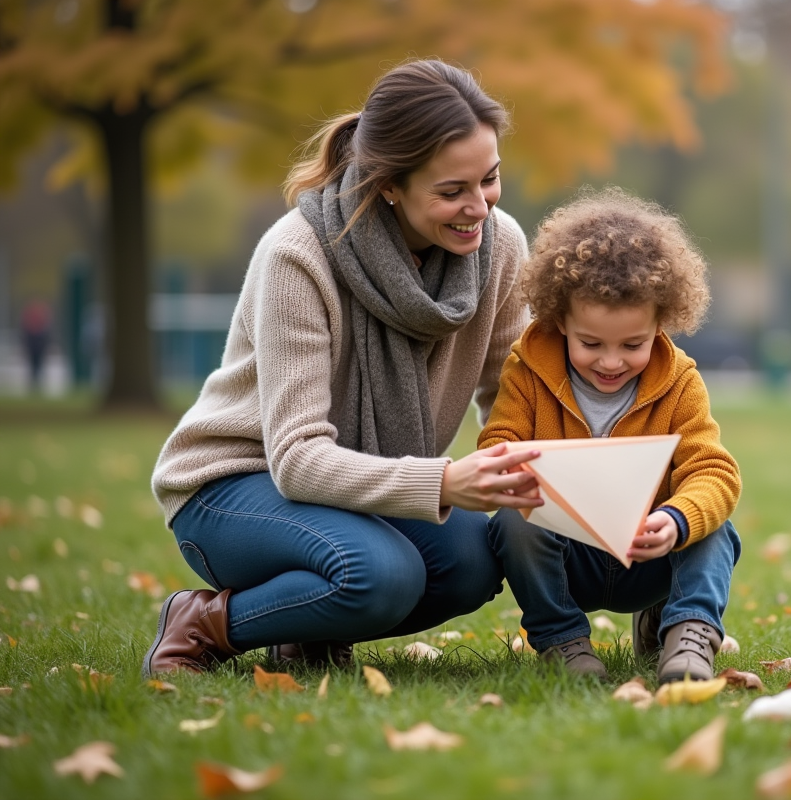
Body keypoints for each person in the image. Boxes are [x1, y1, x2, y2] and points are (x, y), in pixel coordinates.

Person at [144, 59, 545, 677]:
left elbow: (514, 395)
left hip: (360, 489)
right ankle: (205, 623)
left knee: (475, 560)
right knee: (382, 575)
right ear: (389, 184)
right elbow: (298, 459)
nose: (479, 208)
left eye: (489, 179)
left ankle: (306, 628)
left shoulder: (500, 246)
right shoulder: (297, 257)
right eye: (451, 192)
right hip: (234, 485)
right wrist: (442, 484)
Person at [480, 187, 742, 684]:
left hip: (649, 553)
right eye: (591, 343)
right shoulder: (527, 370)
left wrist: (675, 520)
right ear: (559, 321)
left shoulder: (679, 381)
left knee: (714, 528)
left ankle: (686, 632)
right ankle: (563, 643)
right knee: (512, 522)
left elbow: (714, 470)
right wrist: (528, 476)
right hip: (565, 555)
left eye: (633, 344)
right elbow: (496, 445)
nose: (611, 361)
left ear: (662, 323)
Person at [20, 299, 52, 394]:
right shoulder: (31, 322)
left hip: (38, 347)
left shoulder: (41, 322)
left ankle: (37, 385)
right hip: (33, 347)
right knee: (33, 366)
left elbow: (46, 336)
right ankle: (34, 385)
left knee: (38, 366)